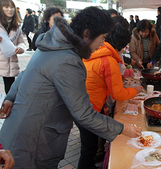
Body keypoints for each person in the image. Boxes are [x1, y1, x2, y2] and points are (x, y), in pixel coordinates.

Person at [0, 7, 142, 169]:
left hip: (17, 131)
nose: (103, 44)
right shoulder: (68, 60)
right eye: (102, 38)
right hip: (33, 142)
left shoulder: (53, 43)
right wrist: (123, 129)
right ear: (87, 33)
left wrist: (10, 97)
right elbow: (83, 113)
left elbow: (26, 73)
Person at [77, 21, 143, 169]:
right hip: (90, 107)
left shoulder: (96, 51)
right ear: (120, 44)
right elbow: (118, 94)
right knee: (89, 149)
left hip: (82, 104)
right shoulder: (108, 60)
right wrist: (136, 90)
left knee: (89, 146)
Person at [0, 0, 25, 94]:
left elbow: (21, 42)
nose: (10, 9)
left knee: (10, 90)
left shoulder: (17, 26)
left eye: (12, 7)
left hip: (10, 63)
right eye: (6, 7)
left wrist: (20, 48)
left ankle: (8, 107)